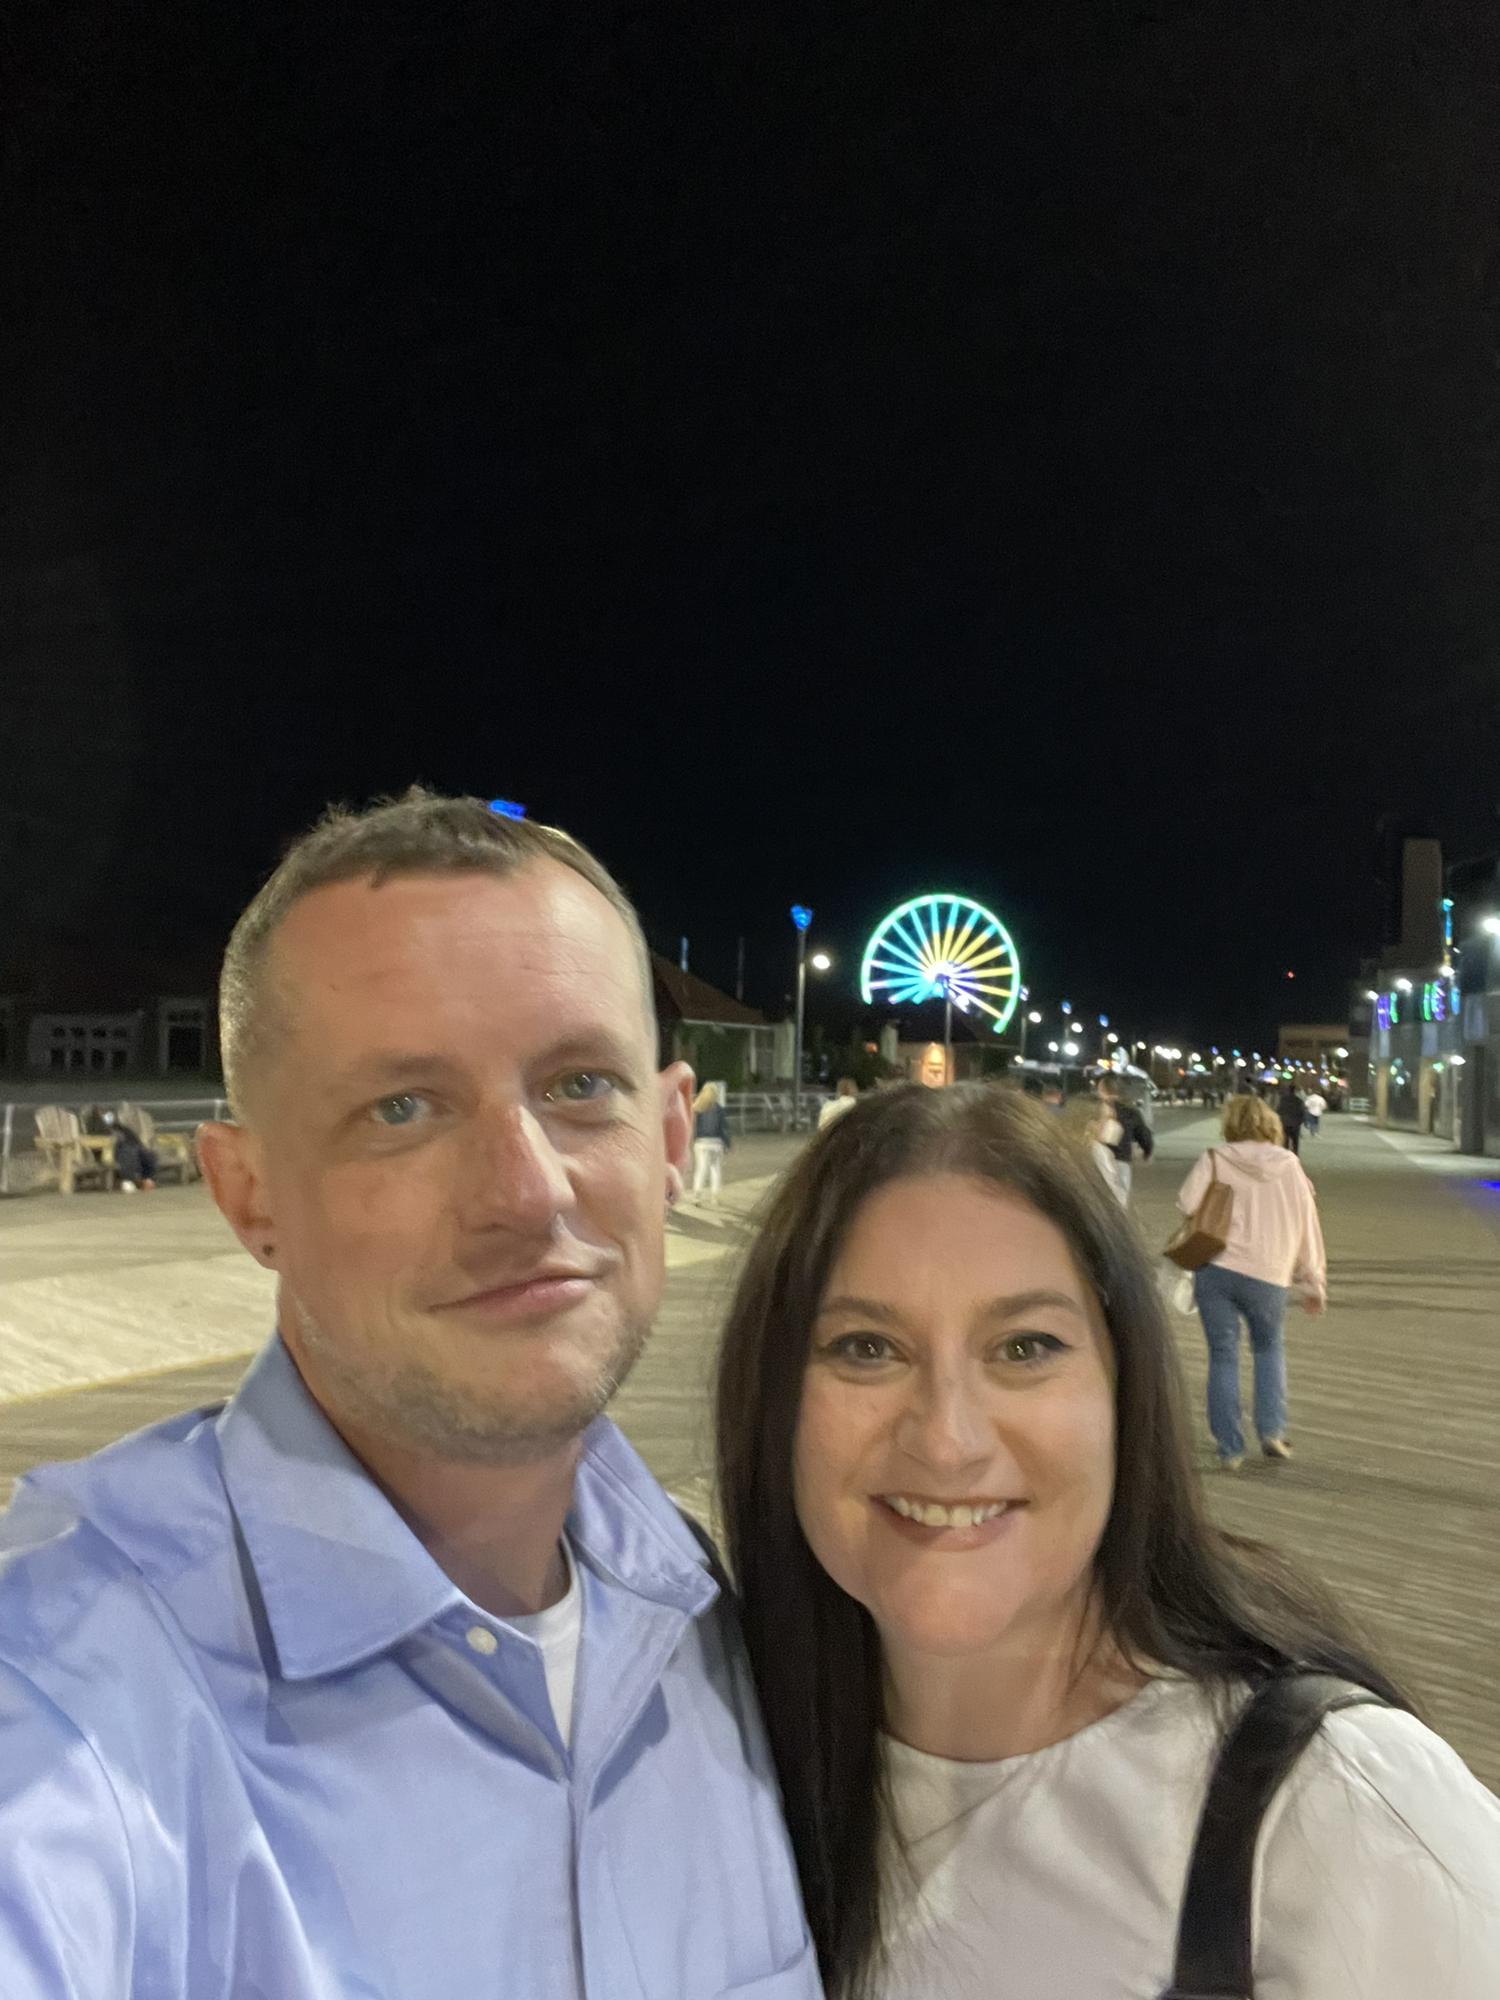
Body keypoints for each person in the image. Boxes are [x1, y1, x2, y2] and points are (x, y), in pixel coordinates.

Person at [0, 792, 818, 1998]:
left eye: (580, 1083)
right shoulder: (66, 1688)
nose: (525, 1191)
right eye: (403, 1107)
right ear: (249, 1195)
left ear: (667, 1137)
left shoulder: (713, 1622)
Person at [714, 1083, 1500, 2000]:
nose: (947, 1440)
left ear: (1125, 1391)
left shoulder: (1346, 1822)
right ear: (773, 1398)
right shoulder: (710, 1770)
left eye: (1025, 1347)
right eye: (865, 1348)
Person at [1178, 1092, 1325, 1470]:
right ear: (1269, 1123)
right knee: (1268, 1349)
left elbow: (1187, 1203)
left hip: (1217, 1268)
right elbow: (1307, 1225)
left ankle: (1230, 1448)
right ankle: (1271, 1431)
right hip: (1269, 1273)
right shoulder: (1289, 1165)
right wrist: (1313, 1280)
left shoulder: (1215, 1158)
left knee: (1223, 1356)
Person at [1061, 1092, 1128, 1207]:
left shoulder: (1060, 1146)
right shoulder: (1098, 1151)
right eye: (1107, 1119)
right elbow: (1113, 1194)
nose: (1112, 1124)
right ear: (1091, 1124)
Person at [1096, 1073, 1153, 1198]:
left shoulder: (1095, 1109)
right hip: (1122, 1159)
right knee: (1120, 1197)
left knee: (1099, 1197)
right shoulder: (1130, 1111)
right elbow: (1143, 1134)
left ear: (1101, 1090)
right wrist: (1147, 1152)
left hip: (1098, 1160)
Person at [690, 1079, 732, 1205]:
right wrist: (727, 1144)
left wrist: (692, 1140)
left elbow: (692, 1127)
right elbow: (723, 1128)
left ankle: (697, 1196)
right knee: (715, 1169)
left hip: (701, 1143)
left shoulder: (697, 1107)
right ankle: (714, 1196)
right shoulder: (719, 1109)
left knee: (701, 1169)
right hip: (716, 1143)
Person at [1275, 1080, 1306, 1155]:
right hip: (1295, 1124)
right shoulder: (1299, 1101)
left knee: (1285, 1140)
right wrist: (1300, 1121)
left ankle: (1285, 1154)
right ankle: (1295, 1154)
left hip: (1285, 1123)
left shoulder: (1283, 1099)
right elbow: (1302, 1112)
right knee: (1295, 1141)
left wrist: (1280, 1120)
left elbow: (1279, 1110)